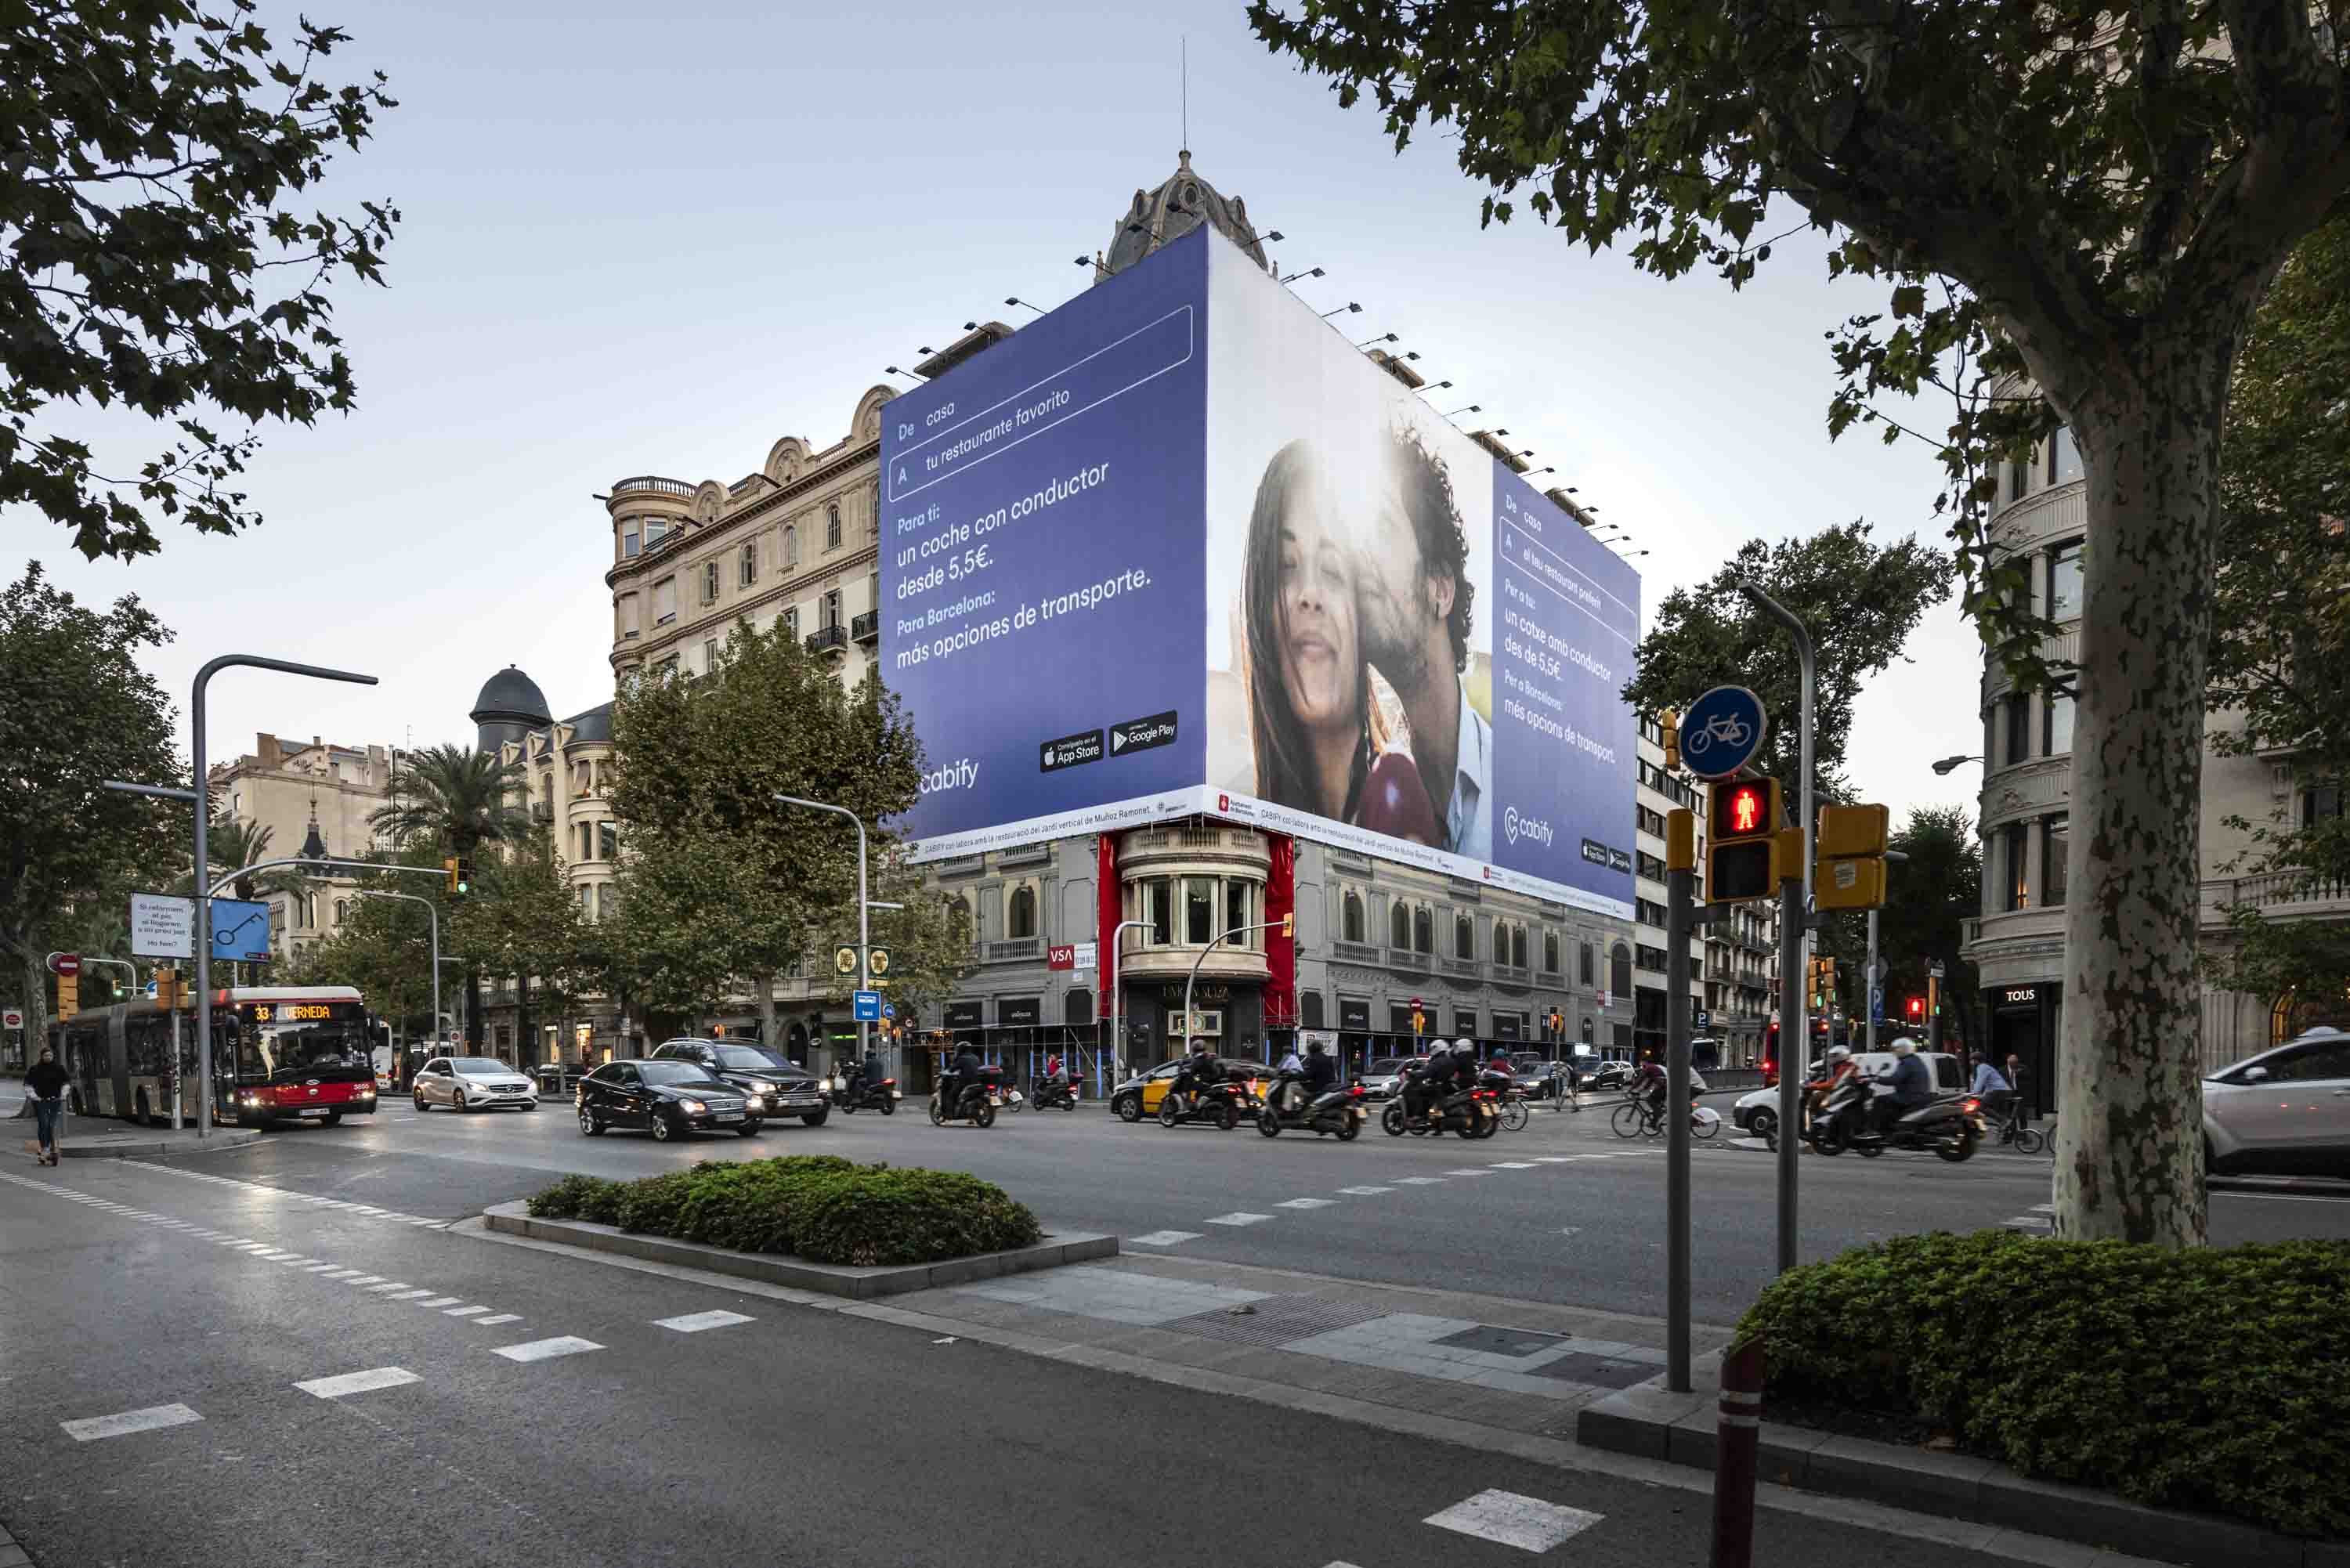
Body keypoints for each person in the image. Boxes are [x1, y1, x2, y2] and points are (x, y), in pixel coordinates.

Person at [1242, 440, 1437, 844]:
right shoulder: (1260, 820)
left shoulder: (1394, 791)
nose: (1309, 593)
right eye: (1286, 566)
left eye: (1332, 570)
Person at [1354, 421, 1492, 861]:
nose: (1359, 558)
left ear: (1441, 589)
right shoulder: (1368, 798)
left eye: (1381, 530)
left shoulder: (1520, 790)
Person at [1874, 1038, 1933, 1136]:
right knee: (1888, 1101)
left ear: (1902, 1049)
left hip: (1909, 1096)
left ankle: (1878, 1131)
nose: (1894, 1052)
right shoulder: (1916, 1060)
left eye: (1895, 1049)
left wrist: (1877, 1079)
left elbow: (1894, 1079)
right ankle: (1893, 1128)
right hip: (1918, 1095)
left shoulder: (1906, 1062)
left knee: (1879, 1100)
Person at [26, 1045, 69, 1165]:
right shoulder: (35, 1069)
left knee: (51, 1124)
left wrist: (63, 1094)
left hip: (55, 1100)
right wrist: (34, 1096)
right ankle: (45, 1147)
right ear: (42, 1056)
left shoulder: (59, 1068)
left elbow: (66, 1082)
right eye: (46, 1055)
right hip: (40, 1101)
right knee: (43, 1123)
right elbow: (28, 1084)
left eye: (50, 1055)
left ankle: (52, 1148)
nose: (48, 1057)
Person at [942, 1044, 982, 1118]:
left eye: (958, 1049)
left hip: (965, 1082)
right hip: (977, 1082)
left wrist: (947, 1071)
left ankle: (949, 1114)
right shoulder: (976, 1057)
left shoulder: (962, 1058)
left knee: (951, 1095)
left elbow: (952, 1069)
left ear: (961, 1050)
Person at [2007, 1053, 2036, 1128]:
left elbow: (2028, 1076)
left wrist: (2016, 1073)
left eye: (2014, 1063)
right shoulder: (2003, 1070)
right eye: (2011, 1063)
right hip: (2008, 1094)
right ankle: (2013, 1130)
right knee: (2011, 1114)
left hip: (2020, 1094)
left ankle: (2023, 1131)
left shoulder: (2023, 1068)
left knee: (2022, 1114)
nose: (2013, 1065)